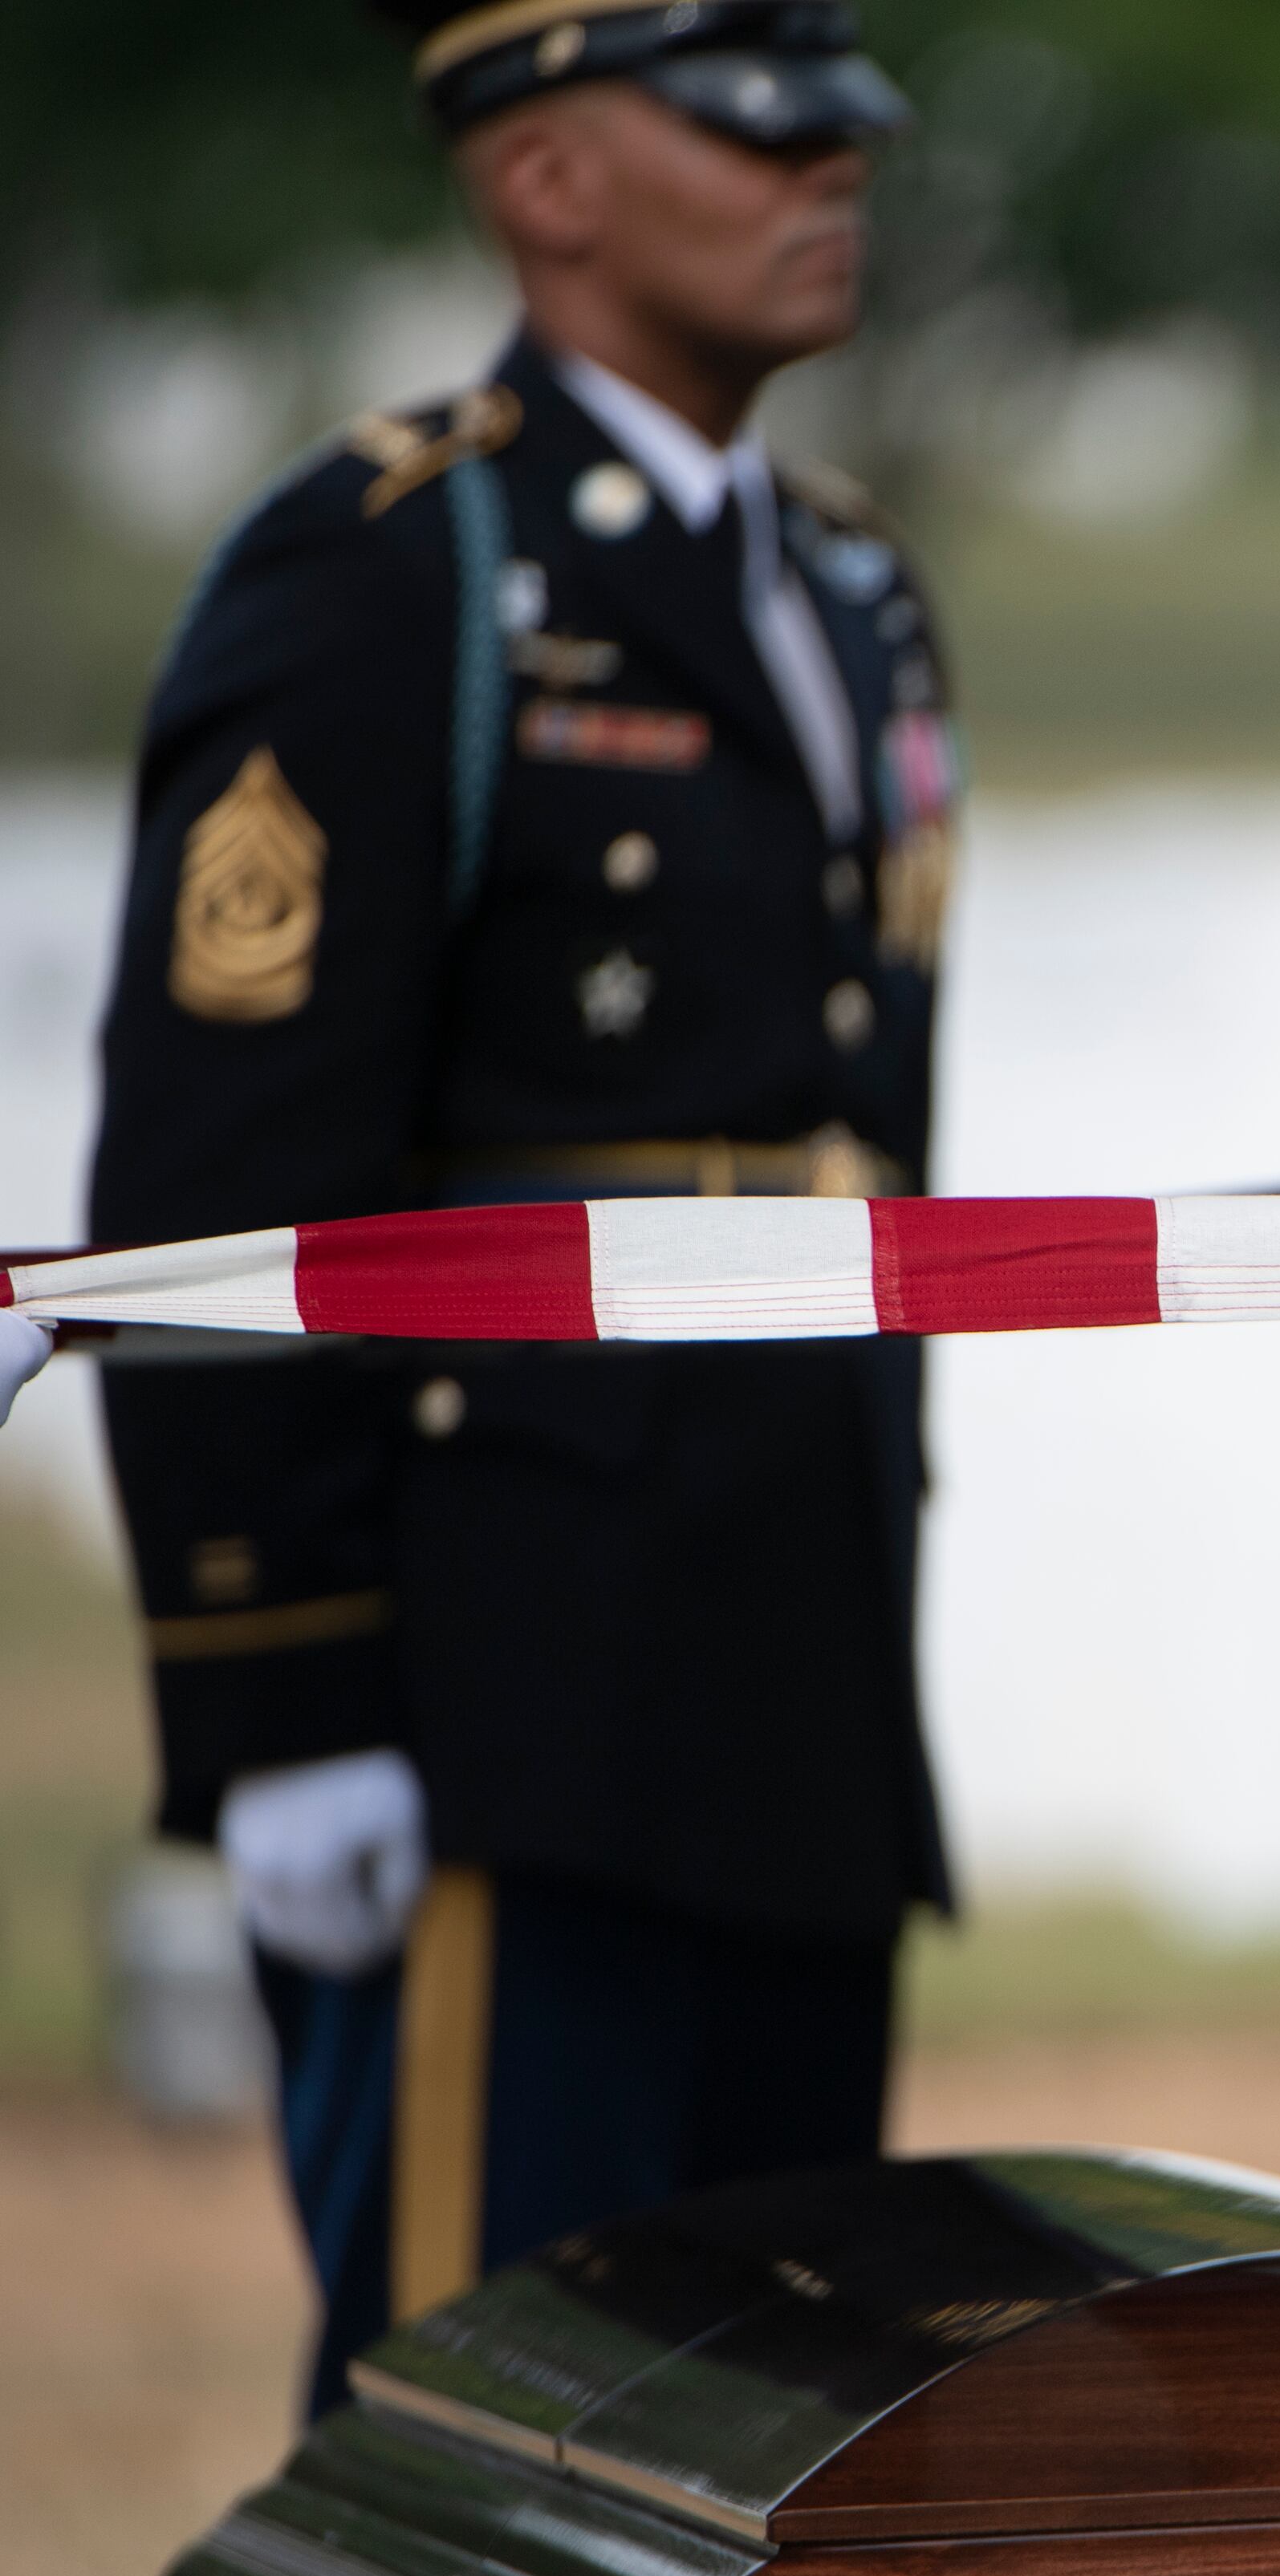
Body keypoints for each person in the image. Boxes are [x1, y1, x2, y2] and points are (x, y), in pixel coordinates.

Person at [87, 0, 949, 2413]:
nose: (830, 171)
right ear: (547, 184)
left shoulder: (856, 591)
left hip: (793, 1669)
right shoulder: (394, 566)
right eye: (748, 126)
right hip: (501, 1688)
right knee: (490, 2448)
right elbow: (218, 1160)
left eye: (836, 126)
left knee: (774, 2474)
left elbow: (872, 1151)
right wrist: (279, 1693)